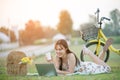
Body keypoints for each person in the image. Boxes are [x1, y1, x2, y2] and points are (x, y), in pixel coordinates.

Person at [46, 38, 113, 75]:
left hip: (87, 68)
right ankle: (104, 50)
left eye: (60, 49)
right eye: (56, 49)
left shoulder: (70, 56)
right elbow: (56, 70)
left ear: (66, 49)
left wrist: (57, 71)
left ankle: (88, 52)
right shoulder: (57, 56)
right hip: (84, 66)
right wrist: (50, 62)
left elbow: (70, 72)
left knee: (107, 68)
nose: (58, 51)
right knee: (98, 63)